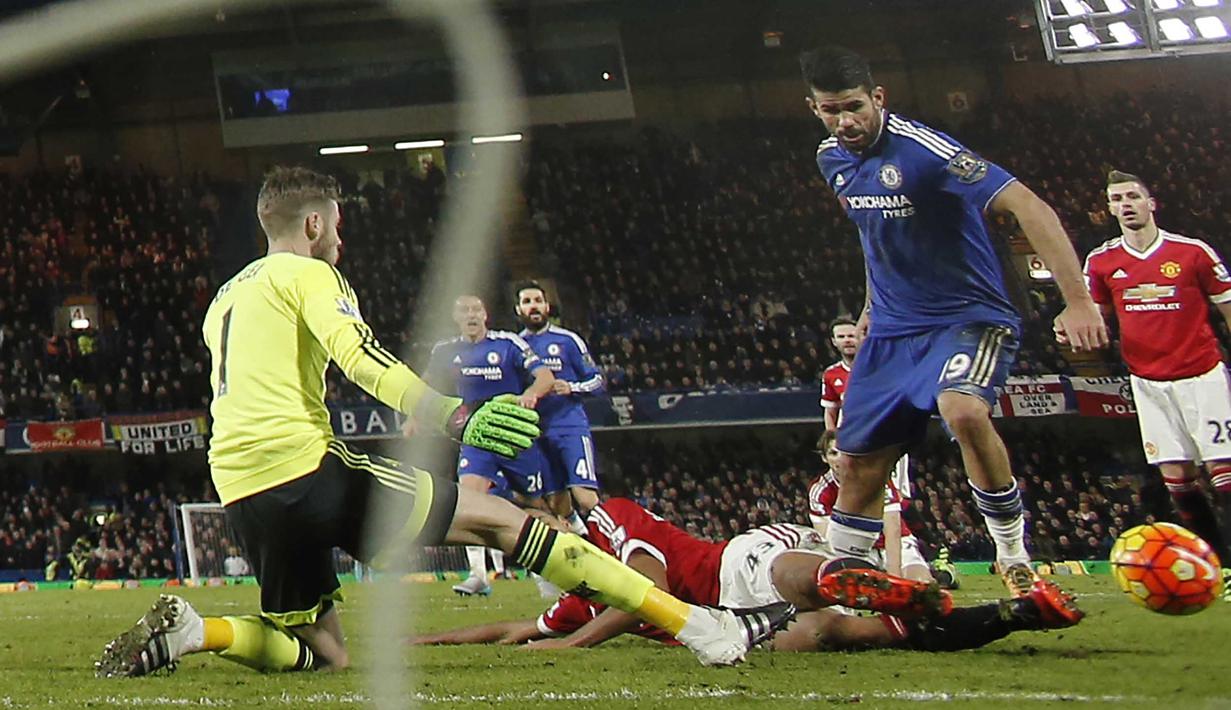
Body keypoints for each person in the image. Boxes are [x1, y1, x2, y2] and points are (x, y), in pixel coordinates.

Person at [95, 166, 794, 677]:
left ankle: (200, 633)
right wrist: (455, 415)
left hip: (241, 487)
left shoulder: (225, 296)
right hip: (304, 466)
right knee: (506, 523)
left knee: (322, 652)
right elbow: (362, 360)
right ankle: (701, 629)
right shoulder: (309, 275)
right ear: (312, 225)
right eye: (336, 224)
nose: (339, 237)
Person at [799, 46, 1106, 600]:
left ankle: (1012, 555)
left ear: (878, 98)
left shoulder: (926, 150)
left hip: (968, 317)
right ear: (814, 109)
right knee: (858, 462)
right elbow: (876, 235)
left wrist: (1078, 301)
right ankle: (846, 581)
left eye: (854, 107)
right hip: (893, 330)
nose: (844, 121)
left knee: (962, 410)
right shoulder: (830, 159)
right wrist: (870, 306)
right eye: (830, 110)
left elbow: (1030, 206)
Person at [410, 502, 1079, 653]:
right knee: (838, 635)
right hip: (732, 627)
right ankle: (1018, 614)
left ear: (558, 516)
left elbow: (648, 589)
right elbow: (510, 629)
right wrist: (415, 643)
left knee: (786, 578)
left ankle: (852, 577)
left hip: (728, 566)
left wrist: (574, 644)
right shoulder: (577, 599)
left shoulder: (609, 521)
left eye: (536, 527)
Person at [1080, 169, 1231, 600]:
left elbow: (1226, 308)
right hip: (1148, 382)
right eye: (1116, 199)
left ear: (1151, 203)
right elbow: (1095, 319)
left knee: (1224, 474)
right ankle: (1218, 569)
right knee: (1177, 478)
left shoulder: (1192, 252)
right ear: (1109, 209)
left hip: (1202, 375)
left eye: (1132, 196)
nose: (1125, 204)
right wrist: (1076, 330)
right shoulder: (1101, 262)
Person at [426, 294, 555, 597]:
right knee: (469, 499)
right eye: (464, 310)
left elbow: (545, 377)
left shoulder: (508, 344)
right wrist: (414, 415)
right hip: (476, 435)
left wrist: (532, 394)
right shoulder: (444, 350)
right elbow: (425, 384)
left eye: (476, 309)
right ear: (455, 318)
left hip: (513, 434)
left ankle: (546, 572)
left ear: (485, 314)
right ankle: (478, 575)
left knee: (534, 505)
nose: (471, 314)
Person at [817, 316, 921, 577]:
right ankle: (864, 555)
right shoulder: (832, 375)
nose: (847, 341)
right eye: (841, 337)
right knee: (860, 496)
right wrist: (833, 441)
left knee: (898, 501)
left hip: (885, 445)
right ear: (833, 342)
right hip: (854, 448)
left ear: (861, 336)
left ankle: (918, 550)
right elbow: (831, 412)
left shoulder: (882, 367)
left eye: (851, 335)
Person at [515, 281, 604, 534]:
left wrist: (572, 387)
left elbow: (598, 381)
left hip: (570, 428)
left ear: (547, 306)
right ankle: (584, 543)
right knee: (557, 504)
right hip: (536, 433)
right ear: (518, 309)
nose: (533, 306)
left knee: (585, 496)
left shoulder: (568, 340)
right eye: (527, 302)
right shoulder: (516, 346)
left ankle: (613, 545)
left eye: (538, 301)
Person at [808, 430, 932, 582]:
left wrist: (895, 579)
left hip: (894, 544)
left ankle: (928, 571)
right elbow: (829, 543)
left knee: (920, 584)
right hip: (856, 550)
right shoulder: (821, 492)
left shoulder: (876, 480)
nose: (840, 459)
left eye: (844, 453)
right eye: (833, 453)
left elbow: (893, 530)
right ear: (824, 458)